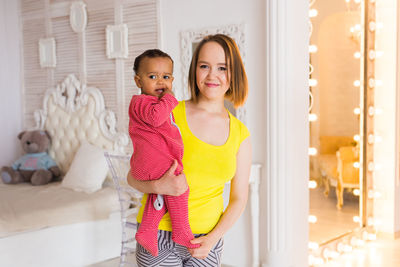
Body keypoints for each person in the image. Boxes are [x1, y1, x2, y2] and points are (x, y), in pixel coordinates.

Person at [128, 34, 252, 267]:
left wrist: (212, 239)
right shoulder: (168, 113)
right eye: (204, 66)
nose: (212, 75)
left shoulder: (240, 133)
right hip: (159, 236)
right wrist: (158, 186)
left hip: (207, 241)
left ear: (233, 74)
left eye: (222, 67)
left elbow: (239, 198)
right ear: (194, 71)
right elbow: (133, 175)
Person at [128, 49, 199, 257]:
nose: (161, 81)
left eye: (166, 77)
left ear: (173, 78)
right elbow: (156, 118)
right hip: (150, 161)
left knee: (158, 195)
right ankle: (182, 230)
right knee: (179, 187)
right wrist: (170, 98)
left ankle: (147, 230)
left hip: (150, 163)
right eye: (153, 77)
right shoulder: (141, 103)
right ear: (138, 81)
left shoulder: (153, 103)